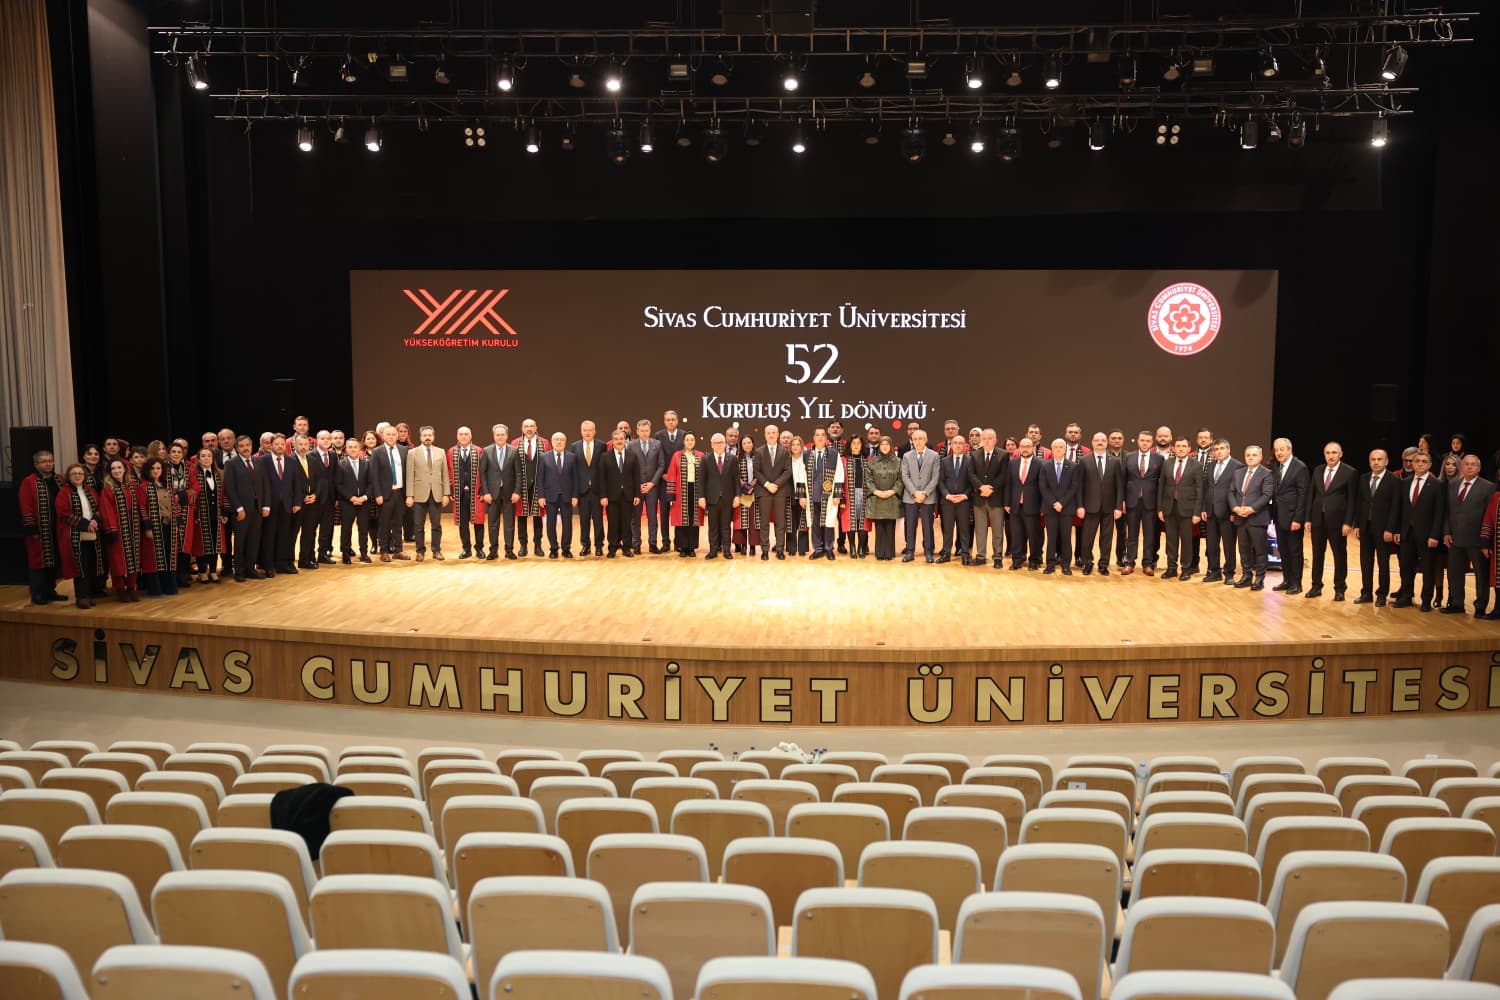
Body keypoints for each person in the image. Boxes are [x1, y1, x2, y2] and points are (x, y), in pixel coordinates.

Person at [1392, 450, 1446, 611]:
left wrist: (1435, 535)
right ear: (1412, 464)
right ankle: (1406, 596)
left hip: (1427, 535)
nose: (1420, 464)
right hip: (1407, 533)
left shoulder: (1437, 484)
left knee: (1428, 568)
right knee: (1406, 567)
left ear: (1430, 465)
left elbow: (1439, 513)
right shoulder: (1405, 483)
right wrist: (1397, 530)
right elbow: (1400, 509)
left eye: (1424, 461)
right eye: (1417, 461)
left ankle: (1426, 600)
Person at [1304, 442, 1358, 600]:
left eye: (1334, 452)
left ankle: (1340, 588)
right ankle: (1316, 586)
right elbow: (1311, 495)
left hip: (1338, 522)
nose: (1331, 456)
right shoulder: (1318, 470)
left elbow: (1352, 500)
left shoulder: (1350, 472)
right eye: (1328, 453)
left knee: (1339, 555)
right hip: (1318, 520)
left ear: (1341, 454)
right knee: (1317, 554)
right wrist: (1308, 518)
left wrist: (1348, 522)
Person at [1443, 454, 1494, 617]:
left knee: (1481, 575)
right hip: (1455, 538)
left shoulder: (1488, 487)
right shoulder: (1452, 484)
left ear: (1479, 468)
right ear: (1461, 466)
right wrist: (1446, 532)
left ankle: (1480, 606)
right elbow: (1447, 512)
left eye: (1474, 465)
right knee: (1454, 573)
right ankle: (1457, 603)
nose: (1470, 467)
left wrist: (1486, 540)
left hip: (1477, 539)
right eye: (1467, 464)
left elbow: (1489, 516)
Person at [1353, 448, 1400, 606]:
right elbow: (1359, 503)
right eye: (1373, 459)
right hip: (1365, 527)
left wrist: (1390, 529)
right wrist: (1357, 525)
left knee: (1383, 563)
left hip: (1383, 529)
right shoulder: (1363, 478)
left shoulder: (1393, 480)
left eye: (1379, 459)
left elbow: (1395, 507)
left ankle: (1381, 594)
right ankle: (1366, 593)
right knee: (1365, 562)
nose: (1376, 462)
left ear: (1386, 461)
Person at [54, 464, 104, 610]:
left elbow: (98, 508)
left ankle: (90, 594)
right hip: (75, 534)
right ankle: (81, 597)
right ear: (68, 477)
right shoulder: (64, 492)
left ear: (84, 476)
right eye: (74, 473)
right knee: (80, 567)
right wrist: (85, 524)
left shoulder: (90, 490)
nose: (77, 476)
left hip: (92, 533)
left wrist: (95, 520)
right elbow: (63, 513)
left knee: (91, 564)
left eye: (80, 473)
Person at [1155, 437, 1202, 580]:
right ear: (1173, 448)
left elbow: (1200, 490)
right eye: (1178, 446)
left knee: (1187, 541)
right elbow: (1161, 486)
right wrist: (1160, 508)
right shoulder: (1167, 463)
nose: (1181, 448)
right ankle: (1171, 568)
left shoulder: (1196, 465)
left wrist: (1197, 512)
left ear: (1189, 449)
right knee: (1171, 541)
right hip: (1169, 508)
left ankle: (1186, 569)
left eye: (1184, 446)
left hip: (1187, 510)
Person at [1079, 431, 1124, 577]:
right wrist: (1080, 505)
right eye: (1097, 440)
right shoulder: (1084, 460)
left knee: (1106, 539)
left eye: (1103, 440)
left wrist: (1118, 507)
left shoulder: (1115, 462)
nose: (1100, 442)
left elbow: (1119, 486)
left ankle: (1103, 564)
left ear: (1107, 443)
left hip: (1109, 508)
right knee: (1087, 538)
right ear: (1092, 442)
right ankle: (1087, 563)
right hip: (1089, 507)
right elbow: (1079, 486)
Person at [1229, 445, 1275, 590]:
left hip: (1257, 518)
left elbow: (1267, 495)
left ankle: (1259, 579)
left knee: (1260, 551)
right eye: (1248, 455)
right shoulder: (1238, 473)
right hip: (1240, 517)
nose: (1250, 457)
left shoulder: (1267, 474)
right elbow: (1231, 492)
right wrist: (1235, 508)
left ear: (1260, 457)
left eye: (1254, 455)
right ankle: (1246, 576)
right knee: (1244, 550)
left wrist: (1251, 509)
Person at [1270, 438, 1311, 595]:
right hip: (1279, 517)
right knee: (1283, 551)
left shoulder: (1300, 467)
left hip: (1293, 518)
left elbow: (1303, 495)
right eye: (1276, 450)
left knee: (1295, 552)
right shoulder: (1276, 466)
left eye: (1282, 449)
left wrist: (1298, 519)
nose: (1278, 453)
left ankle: (1296, 584)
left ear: (1289, 449)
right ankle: (1287, 580)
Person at [1199, 439, 1243, 585]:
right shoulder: (1211, 465)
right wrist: (1204, 508)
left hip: (1228, 513)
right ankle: (1214, 571)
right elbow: (1206, 488)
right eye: (1216, 449)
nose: (1219, 451)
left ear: (1229, 450)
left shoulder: (1237, 466)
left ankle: (1229, 574)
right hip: (1211, 512)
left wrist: (1234, 511)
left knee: (1229, 546)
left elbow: (1238, 492)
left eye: (1222, 448)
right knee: (1211, 545)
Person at [404, 425, 451, 561]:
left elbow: (445, 474)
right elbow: (409, 475)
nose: (427, 437)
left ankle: (436, 550)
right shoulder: (412, 453)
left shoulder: (441, 452)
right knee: (418, 525)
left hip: (436, 493)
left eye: (430, 435)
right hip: (419, 494)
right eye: (425, 435)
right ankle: (420, 551)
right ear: (420, 437)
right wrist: (409, 495)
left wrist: (446, 493)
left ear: (433, 437)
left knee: (436, 525)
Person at [224, 435, 266, 580]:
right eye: (241, 446)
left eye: (247, 445)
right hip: (241, 510)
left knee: (254, 540)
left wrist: (265, 505)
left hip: (257, 508)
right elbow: (230, 488)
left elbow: (264, 485)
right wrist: (238, 508)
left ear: (251, 445)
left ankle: (250, 569)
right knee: (240, 541)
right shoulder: (231, 463)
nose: (245, 448)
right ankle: (239, 571)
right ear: (237, 448)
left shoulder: (258, 461)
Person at [99, 458, 143, 600]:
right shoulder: (107, 488)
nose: (116, 471)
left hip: (133, 527)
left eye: (119, 467)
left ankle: (131, 587)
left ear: (125, 469)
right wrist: (111, 529)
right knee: (118, 560)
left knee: (134, 558)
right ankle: (120, 588)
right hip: (117, 528)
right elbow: (106, 510)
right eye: (113, 468)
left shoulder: (132, 485)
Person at [138, 457, 181, 597]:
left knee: (169, 555)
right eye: (153, 468)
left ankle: (169, 587)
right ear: (147, 470)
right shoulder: (143, 487)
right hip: (155, 526)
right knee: (154, 558)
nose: (156, 471)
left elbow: (174, 505)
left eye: (158, 468)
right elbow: (142, 508)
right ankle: (155, 589)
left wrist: (176, 523)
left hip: (169, 525)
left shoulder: (167, 485)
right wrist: (147, 527)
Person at [1121, 431, 1162, 576]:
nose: (1145, 443)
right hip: (1132, 501)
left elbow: (1161, 483)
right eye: (1142, 440)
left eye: (1148, 441)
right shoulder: (1128, 457)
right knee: (1132, 535)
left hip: (1150, 503)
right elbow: (1123, 480)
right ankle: (1130, 563)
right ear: (1138, 441)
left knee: (1149, 535)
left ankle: (1148, 564)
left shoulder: (1159, 459)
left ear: (1152, 442)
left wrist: (1159, 505)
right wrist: (1122, 501)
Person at [1039, 437, 1081, 575]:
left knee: (1066, 538)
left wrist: (1062, 503)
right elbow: (1043, 487)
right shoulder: (1045, 465)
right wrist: (1053, 503)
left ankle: (1066, 565)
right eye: (1055, 447)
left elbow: (1074, 487)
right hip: (1050, 508)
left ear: (1065, 449)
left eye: (1061, 447)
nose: (1058, 449)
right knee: (1051, 538)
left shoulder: (1073, 466)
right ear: (1052, 449)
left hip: (1066, 508)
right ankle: (1050, 564)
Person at [967, 428, 1008, 569]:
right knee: (980, 529)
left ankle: (997, 557)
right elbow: (971, 474)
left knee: (997, 530)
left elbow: (1003, 475)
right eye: (984, 438)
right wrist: (981, 487)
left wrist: (991, 489)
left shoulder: (1003, 455)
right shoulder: (975, 454)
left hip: (996, 498)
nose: (987, 441)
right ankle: (980, 556)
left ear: (995, 440)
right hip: (979, 499)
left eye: (990, 438)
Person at [537, 430, 581, 558]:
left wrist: (575, 495)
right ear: (552, 442)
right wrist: (541, 496)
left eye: (561, 439)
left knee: (567, 524)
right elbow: (540, 479)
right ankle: (554, 549)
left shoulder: (572, 457)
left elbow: (575, 478)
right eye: (556, 439)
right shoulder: (544, 457)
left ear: (565, 442)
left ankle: (566, 549)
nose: (559, 441)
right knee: (550, 524)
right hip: (550, 496)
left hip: (567, 496)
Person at [599, 427, 642, 558]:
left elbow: (636, 477)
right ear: (612, 441)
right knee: (612, 524)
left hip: (628, 496)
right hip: (611, 497)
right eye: (616, 439)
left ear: (625, 440)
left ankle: (627, 548)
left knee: (626, 523)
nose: (619, 441)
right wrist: (603, 496)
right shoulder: (605, 457)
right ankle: (612, 548)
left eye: (621, 439)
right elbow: (602, 479)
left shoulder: (632, 456)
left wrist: (637, 494)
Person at [803, 428, 843, 560]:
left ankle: (829, 548)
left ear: (826, 438)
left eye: (822, 435)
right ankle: (818, 549)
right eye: (817, 435)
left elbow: (839, 474)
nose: (820, 437)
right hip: (812, 494)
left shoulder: (834, 454)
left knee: (829, 522)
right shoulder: (807, 454)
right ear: (813, 438)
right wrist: (802, 496)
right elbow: (801, 475)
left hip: (829, 495)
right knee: (815, 523)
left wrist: (837, 495)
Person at [370, 425, 409, 562]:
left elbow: (408, 473)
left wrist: (409, 494)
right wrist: (377, 494)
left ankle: (398, 550)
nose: (391, 436)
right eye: (388, 434)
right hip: (385, 494)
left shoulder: (404, 450)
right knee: (384, 524)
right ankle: (384, 551)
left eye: (393, 434)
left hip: (400, 493)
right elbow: (374, 475)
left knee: (398, 523)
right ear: (383, 436)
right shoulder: (377, 451)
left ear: (397, 436)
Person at [1003, 437, 1043, 570]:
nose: (1025, 449)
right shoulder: (1012, 463)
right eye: (1023, 446)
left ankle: (1034, 560)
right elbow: (1008, 484)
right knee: (1017, 534)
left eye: (1028, 446)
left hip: (1033, 506)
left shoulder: (1040, 464)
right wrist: (1007, 502)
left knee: (1034, 535)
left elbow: (1043, 487)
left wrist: (1043, 506)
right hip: (1015, 505)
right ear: (1019, 448)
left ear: (1033, 448)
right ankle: (1017, 559)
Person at [186, 448, 225, 583]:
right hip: (200, 516)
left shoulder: (219, 474)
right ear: (198, 459)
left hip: (216, 515)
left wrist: (224, 512)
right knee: (201, 544)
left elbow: (223, 495)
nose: (206, 458)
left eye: (209, 456)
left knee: (215, 543)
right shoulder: (194, 475)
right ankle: (202, 571)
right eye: (203, 456)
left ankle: (213, 571)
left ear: (213, 459)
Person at [900, 428, 939, 563]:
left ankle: (929, 552)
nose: (918, 441)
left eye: (920, 438)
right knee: (910, 526)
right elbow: (905, 476)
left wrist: (925, 493)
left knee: (928, 526)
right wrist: (914, 492)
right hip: (911, 497)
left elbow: (935, 477)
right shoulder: (907, 456)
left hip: (928, 497)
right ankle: (909, 551)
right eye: (915, 439)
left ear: (926, 440)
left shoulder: (934, 456)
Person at [754, 424, 792, 560]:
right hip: (764, 491)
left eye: (773, 432)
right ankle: (764, 550)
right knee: (764, 522)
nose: (771, 435)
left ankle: (780, 550)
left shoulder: (785, 452)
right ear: (765, 435)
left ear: (778, 434)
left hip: (780, 491)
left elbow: (788, 471)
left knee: (780, 522)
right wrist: (767, 484)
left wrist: (776, 484)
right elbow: (757, 471)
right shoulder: (758, 451)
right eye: (768, 433)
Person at [664, 431, 705, 556]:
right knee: (681, 520)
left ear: (695, 441)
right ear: (683, 441)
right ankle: (682, 547)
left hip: (696, 491)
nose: (689, 442)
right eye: (687, 439)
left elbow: (704, 476)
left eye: (692, 439)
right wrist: (671, 494)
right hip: (680, 492)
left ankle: (691, 547)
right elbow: (672, 474)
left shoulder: (701, 456)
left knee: (693, 519)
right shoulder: (677, 456)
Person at [481, 424, 518, 560]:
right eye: (498, 435)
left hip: (509, 493)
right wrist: (485, 492)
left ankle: (509, 550)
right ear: (494, 436)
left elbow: (518, 474)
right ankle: (493, 550)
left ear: (507, 436)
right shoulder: (487, 451)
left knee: (509, 524)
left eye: (503, 434)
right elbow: (483, 473)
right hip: (492, 494)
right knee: (493, 524)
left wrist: (517, 492)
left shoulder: (514, 451)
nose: (500, 437)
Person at [448, 426, 485, 559]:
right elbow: (448, 472)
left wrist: (483, 489)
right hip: (459, 493)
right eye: (461, 434)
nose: (463, 437)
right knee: (463, 523)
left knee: (478, 522)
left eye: (466, 434)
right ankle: (466, 549)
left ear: (471, 436)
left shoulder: (479, 451)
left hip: (476, 492)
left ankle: (479, 548)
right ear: (457, 436)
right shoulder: (451, 452)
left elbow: (483, 472)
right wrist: (450, 489)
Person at [289, 434, 324, 570]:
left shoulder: (313, 459)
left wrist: (315, 495)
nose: (303, 447)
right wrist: (302, 496)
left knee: (309, 533)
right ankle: (289, 561)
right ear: (294, 445)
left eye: (306, 444)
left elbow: (320, 480)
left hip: (312, 502)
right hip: (297, 503)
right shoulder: (290, 460)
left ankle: (304, 560)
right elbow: (289, 483)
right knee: (292, 534)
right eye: (300, 444)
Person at [700, 432, 738, 560]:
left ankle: (727, 551)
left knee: (726, 526)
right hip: (712, 499)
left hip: (728, 498)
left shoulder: (732, 459)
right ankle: (713, 550)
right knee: (713, 527)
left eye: (721, 442)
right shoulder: (706, 459)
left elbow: (736, 479)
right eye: (716, 443)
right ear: (712, 445)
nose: (719, 445)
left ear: (725, 444)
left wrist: (737, 496)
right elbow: (701, 480)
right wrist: (701, 497)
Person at [572, 420, 606, 557]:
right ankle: (585, 546)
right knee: (584, 520)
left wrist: (604, 493)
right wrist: (575, 494)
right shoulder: (574, 446)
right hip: (582, 491)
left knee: (598, 520)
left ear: (595, 431)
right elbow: (574, 471)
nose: (587, 433)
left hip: (597, 491)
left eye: (590, 430)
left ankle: (599, 546)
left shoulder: (602, 446)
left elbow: (604, 471)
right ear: (581, 431)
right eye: (585, 430)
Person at [337, 439, 373, 564]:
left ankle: (364, 553)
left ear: (359, 449)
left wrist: (364, 497)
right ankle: (346, 554)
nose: (353, 449)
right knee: (346, 529)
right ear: (346, 449)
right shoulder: (340, 465)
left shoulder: (366, 464)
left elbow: (371, 483)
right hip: (348, 502)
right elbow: (339, 484)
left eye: (355, 447)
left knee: (363, 529)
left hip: (364, 502)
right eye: (350, 447)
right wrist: (351, 497)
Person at [938, 435, 973, 564]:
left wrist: (965, 495)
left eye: (960, 443)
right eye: (955, 443)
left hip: (964, 501)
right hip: (948, 501)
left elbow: (972, 482)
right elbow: (941, 481)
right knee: (947, 529)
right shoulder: (944, 461)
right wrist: (947, 495)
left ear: (965, 446)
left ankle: (965, 554)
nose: (958, 445)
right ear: (951, 445)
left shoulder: (970, 461)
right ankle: (946, 553)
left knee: (964, 529)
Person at [632, 419, 666, 554]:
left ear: (650, 431)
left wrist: (652, 483)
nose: (644, 433)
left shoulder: (657, 444)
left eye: (646, 430)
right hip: (637, 488)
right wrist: (637, 484)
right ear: (637, 431)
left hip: (652, 487)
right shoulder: (631, 446)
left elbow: (661, 465)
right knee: (635, 518)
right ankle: (636, 544)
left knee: (652, 517)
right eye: (642, 431)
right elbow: (629, 467)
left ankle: (653, 544)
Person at [513, 418, 546, 556]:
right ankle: (523, 546)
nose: (529, 429)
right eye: (526, 426)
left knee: (538, 518)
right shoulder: (515, 443)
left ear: (536, 427)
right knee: (521, 517)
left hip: (539, 485)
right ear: (522, 428)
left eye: (532, 426)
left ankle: (538, 546)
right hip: (521, 486)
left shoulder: (544, 443)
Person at [654, 410, 686, 550]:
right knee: (664, 512)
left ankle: (679, 543)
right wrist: (662, 474)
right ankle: (665, 542)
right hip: (663, 480)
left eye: (673, 419)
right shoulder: (658, 436)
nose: (671, 421)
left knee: (679, 511)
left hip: (679, 481)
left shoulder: (684, 435)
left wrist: (677, 475)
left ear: (677, 421)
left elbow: (686, 456)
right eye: (668, 419)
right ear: (664, 422)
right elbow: (655, 457)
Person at [867, 436, 902, 561]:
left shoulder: (898, 461)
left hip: (892, 498)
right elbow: (868, 479)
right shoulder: (873, 461)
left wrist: (892, 491)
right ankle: (880, 553)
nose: (885, 446)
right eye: (882, 444)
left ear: (891, 446)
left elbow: (901, 479)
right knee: (880, 526)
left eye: (887, 444)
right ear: (879, 446)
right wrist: (876, 491)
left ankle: (889, 553)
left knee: (890, 527)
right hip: (877, 498)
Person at [165, 441, 194, 587]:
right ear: (168, 454)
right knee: (172, 544)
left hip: (186, 509)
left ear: (183, 454)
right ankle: (171, 577)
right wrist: (173, 497)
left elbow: (195, 487)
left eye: (179, 452)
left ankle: (182, 575)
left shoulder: (189, 468)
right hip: (168, 509)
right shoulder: (162, 468)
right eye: (173, 452)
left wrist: (182, 496)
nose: (176, 454)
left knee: (184, 544)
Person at [841, 435, 872, 559]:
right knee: (851, 522)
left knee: (863, 523)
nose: (856, 446)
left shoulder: (868, 460)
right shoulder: (843, 460)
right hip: (848, 495)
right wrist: (841, 497)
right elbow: (839, 480)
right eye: (853, 443)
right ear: (849, 445)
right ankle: (852, 547)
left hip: (864, 495)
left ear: (862, 445)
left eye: (858, 443)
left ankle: (861, 547)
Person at [733, 434, 762, 556]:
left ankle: (753, 546)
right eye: (744, 443)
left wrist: (752, 486)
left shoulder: (759, 457)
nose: (747, 445)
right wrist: (744, 486)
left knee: (754, 520)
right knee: (741, 520)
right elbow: (735, 475)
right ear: (741, 445)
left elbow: (761, 473)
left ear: (753, 444)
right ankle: (743, 545)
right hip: (741, 493)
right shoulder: (736, 458)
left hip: (756, 492)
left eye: (749, 442)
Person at [312, 431, 338, 563]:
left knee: (326, 529)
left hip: (330, 499)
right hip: (315, 499)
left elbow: (335, 477)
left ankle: (322, 554)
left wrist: (336, 497)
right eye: (323, 438)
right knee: (311, 529)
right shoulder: (310, 455)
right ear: (317, 440)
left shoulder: (333, 455)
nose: (326, 440)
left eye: (328, 438)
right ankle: (309, 555)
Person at [786, 435, 809, 555]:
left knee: (803, 522)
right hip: (789, 495)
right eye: (793, 445)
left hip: (804, 495)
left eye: (798, 445)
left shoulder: (806, 460)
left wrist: (803, 496)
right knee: (790, 523)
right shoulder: (786, 461)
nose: (795, 447)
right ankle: (791, 548)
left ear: (801, 446)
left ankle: (802, 549)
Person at [1479, 486, 1500, 619]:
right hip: (1498, 547)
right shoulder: (1497, 497)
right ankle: (1498, 609)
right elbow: (1488, 520)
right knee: (1498, 580)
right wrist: (1485, 543)